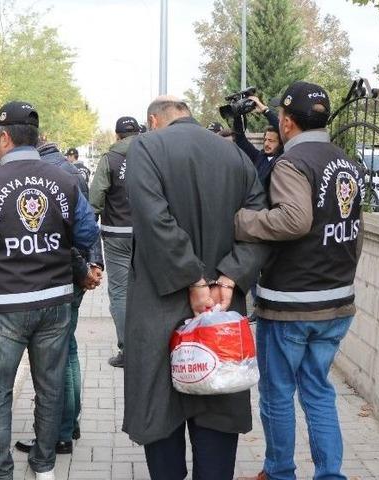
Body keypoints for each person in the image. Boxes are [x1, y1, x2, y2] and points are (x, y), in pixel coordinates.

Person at [122, 96, 270, 480]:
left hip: (161, 305)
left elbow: (154, 220)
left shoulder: (146, 148)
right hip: (221, 308)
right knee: (218, 412)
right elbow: (258, 224)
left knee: (162, 415)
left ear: (155, 120)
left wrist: (192, 279)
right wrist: (229, 277)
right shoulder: (235, 158)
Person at [0, 101, 99, 480]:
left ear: (3, 138)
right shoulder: (65, 180)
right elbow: (86, 233)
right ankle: (44, 467)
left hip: (4, 303)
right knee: (50, 387)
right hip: (54, 301)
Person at [233, 81, 364, 480]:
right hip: (337, 301)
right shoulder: (344, 161)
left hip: (292, 304)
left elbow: (295, 219)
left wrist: (241, 220)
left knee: (277, 395)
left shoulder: (292, 163)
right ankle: (329, 475)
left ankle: (279, 472)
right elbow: (353, 228)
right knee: (319, 391)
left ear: (287, 122)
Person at [13, 139, 104, 456]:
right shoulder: (70, 171)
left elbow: (58, 235)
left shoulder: (42, 175)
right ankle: (70, 423)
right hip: (75, 271)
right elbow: (89, 222)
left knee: (59, 356)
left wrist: (81, 268)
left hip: (59, 274)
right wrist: (93, 265)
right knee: (70, 350)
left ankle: (60, 432)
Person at [90, 115, 141, 368]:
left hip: (115, 235)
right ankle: (148, 347)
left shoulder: (109, 160)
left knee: (120, 293)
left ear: (118, 135)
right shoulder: (150, 156)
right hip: (147, 235)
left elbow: (95, 200)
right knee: (146, 290)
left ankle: (127, 349)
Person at [232, 95, 283, 189]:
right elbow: (240, 140)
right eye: (265, 140)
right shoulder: (259, 157)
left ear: (280, 143)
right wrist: (237, 116)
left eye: (271, 141)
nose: (267, 144)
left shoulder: (283, 160)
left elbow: (281, 129)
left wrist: (265, 110)